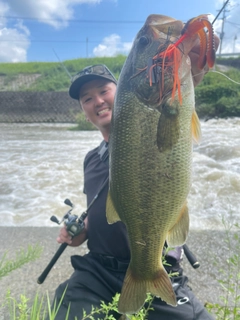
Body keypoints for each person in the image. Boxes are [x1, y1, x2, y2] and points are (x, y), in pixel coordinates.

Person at [51, 36, 219, 320]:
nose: (98, 101)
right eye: (87, 99)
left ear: (123, 91)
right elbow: (104, 210)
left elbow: (188, 81)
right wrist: (81, 232)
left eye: (104, 91)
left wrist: (194, 56)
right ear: (83, 110)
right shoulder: (91, 159)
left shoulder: (155, 119)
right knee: (64, 308)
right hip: (98, 271)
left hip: (155, 264)